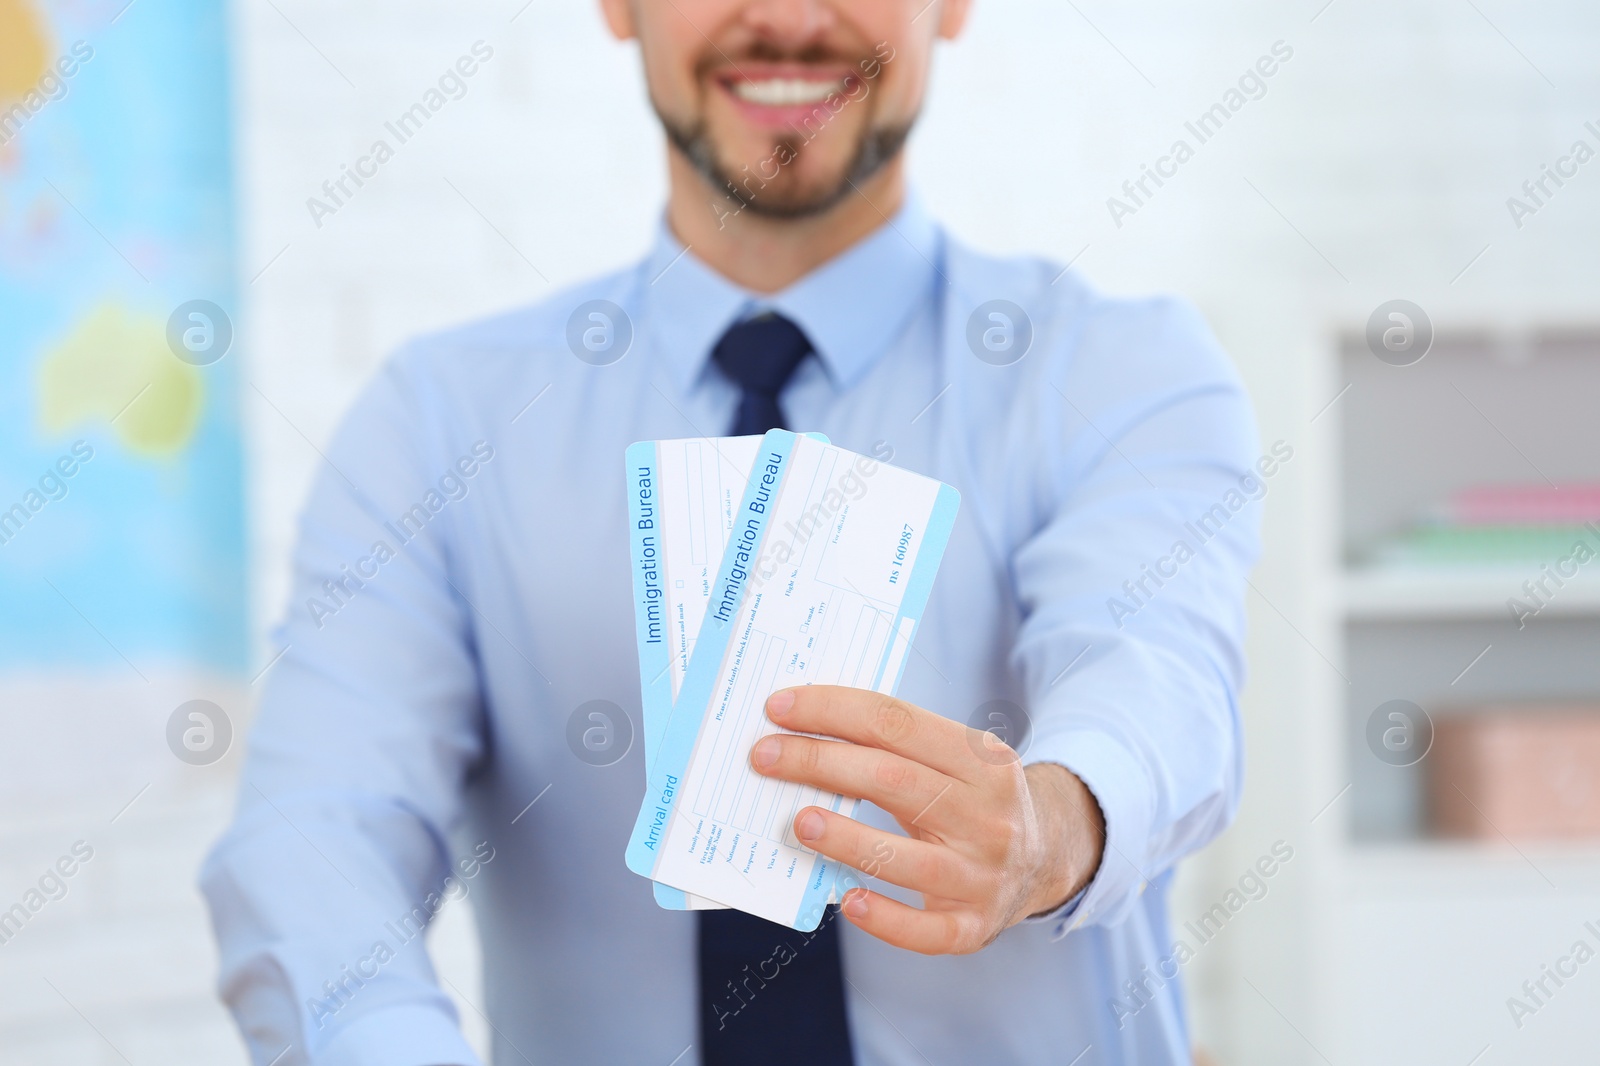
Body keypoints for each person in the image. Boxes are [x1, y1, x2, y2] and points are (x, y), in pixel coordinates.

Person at [202, 1, 1261, 1063]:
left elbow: (1153, 676)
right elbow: (316, 834)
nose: (790, 19)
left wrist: (1051, 827)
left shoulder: (1127, 372)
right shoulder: (438, 425)